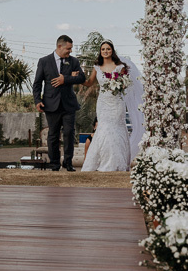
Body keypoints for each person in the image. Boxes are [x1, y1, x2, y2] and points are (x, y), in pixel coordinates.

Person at [32, 35, 86, 172]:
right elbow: (37, 83)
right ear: (59, 46)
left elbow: (81, 77)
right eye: (68, 48)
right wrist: (37, 100)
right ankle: (54, 164)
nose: (70, 51)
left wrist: (66, 79)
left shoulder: (73, 61)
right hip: (51, 104)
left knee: (69, 133)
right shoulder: (44, 61)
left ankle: (68, 163)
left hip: (69, 104)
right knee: (53, 135)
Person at [79, 41, 132, 172]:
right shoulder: (97, 67)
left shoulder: (120, 67)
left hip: (117, 102)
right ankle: (102, 161)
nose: (105, 51)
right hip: (103, 103)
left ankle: (117, 163)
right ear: (100, 52)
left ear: (112, 51)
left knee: (116, 129)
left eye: (108, 49)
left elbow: (126, 83)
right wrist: (77, 78)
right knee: (104, 129)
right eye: (103, 49)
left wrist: (120, 84)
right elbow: (89, 83)